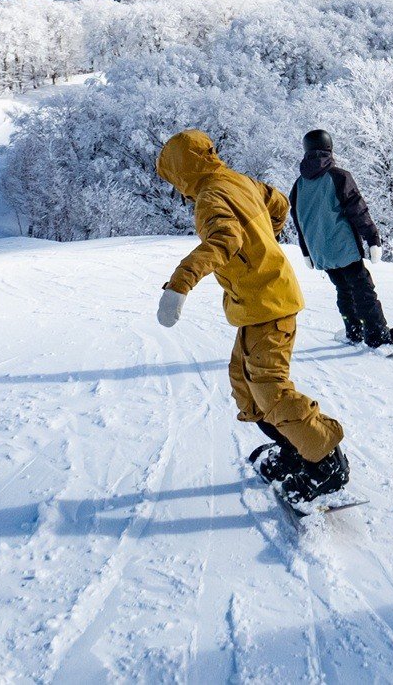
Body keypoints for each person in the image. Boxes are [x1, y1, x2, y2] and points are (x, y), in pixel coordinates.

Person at [153, 128, 349, 504]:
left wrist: (179, 285)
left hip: (269, 303)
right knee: (245, 384)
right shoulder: (237, 181)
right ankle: (296, 447)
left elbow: (224, 240)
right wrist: (266, 241)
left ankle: (325, 461)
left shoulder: (210, 197)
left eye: (174, 180)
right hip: (259, 302)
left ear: (182, 173)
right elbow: (278, 203)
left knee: (269, 388)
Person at [288, 130, 393, 351]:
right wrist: (372, 239)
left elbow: (300, 221)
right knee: (363, 289)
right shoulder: (338, 176)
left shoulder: (298, 185)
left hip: (320, 251)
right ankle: (377, 333)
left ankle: (354, 330)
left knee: (343, 289)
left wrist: (307, 252)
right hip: (343, 246)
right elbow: (358, 210)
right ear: (329, 148)